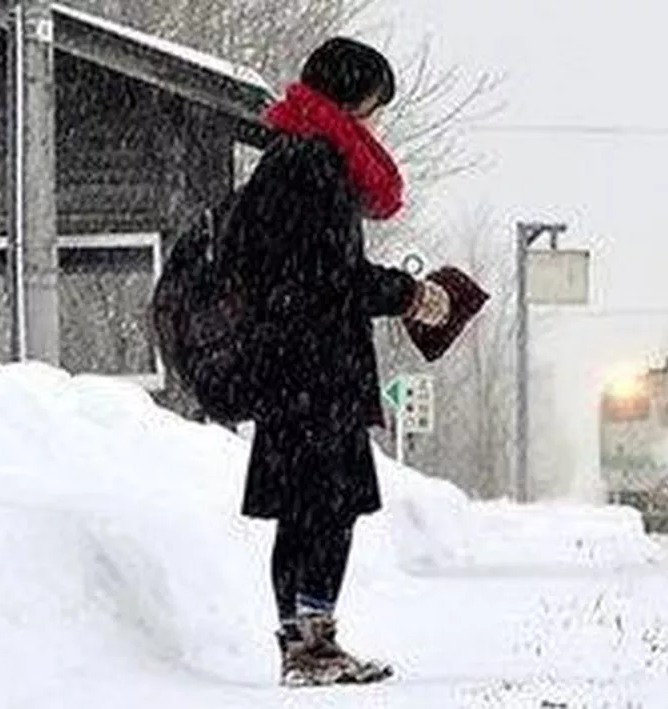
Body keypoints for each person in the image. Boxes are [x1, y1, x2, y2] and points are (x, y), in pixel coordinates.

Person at [224, 37, 450, 687]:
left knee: (303, 508)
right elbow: (332, 276)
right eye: (373, 107)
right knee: (327, 507)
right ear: (351, 98)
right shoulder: (318, 163)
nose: (374, 123)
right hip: (317, 370)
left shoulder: (283, 158)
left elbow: (280, 269)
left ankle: (301, 644)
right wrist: (411, 294)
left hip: (286, 369)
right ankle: (314, 647)